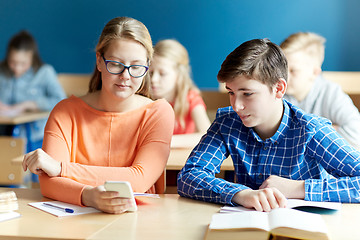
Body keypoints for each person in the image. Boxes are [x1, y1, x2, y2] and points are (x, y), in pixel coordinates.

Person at [177, 38, 360, 212]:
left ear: (279, 89)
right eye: (231, 92)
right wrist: (241, 194)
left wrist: (299, 188)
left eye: (247, 94)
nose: (236, 105)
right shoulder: (227, 123)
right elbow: (189, 176)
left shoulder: (311, 130)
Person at [22, 17, 174, 214]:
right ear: (99, 61)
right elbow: (49, 184)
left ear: (147, 67)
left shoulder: (158, 113)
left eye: (136, 67)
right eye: (116, 64)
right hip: (74, 224)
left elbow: (139, 178)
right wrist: (88, 196)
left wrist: (61, 169)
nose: (126, 76)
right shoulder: (65, 112)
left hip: (138, 221)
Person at [281, 32, 360, 149]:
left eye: (293, 71)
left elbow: (356, 133)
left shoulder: (330, 93)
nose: (284, 76)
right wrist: (330, 130)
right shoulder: (278, 93)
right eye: (282, 68)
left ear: (315, 73)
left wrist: (309, 134)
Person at [0, 30, 66, 149]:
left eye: (23, 63)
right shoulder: (2, 71)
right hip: (4, 131)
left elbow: (61, 100)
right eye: (13, 62)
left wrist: (29, 104)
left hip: (34, 136)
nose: (17, 68)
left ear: (32, 58)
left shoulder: (45, 72)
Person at [149, 39, 211, 148]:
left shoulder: (190, 98)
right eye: (151, 73)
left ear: (179, 75)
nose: (153, 79)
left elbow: (207, 135)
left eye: (162, 74)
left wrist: (165, 141)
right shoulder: (145, 99)